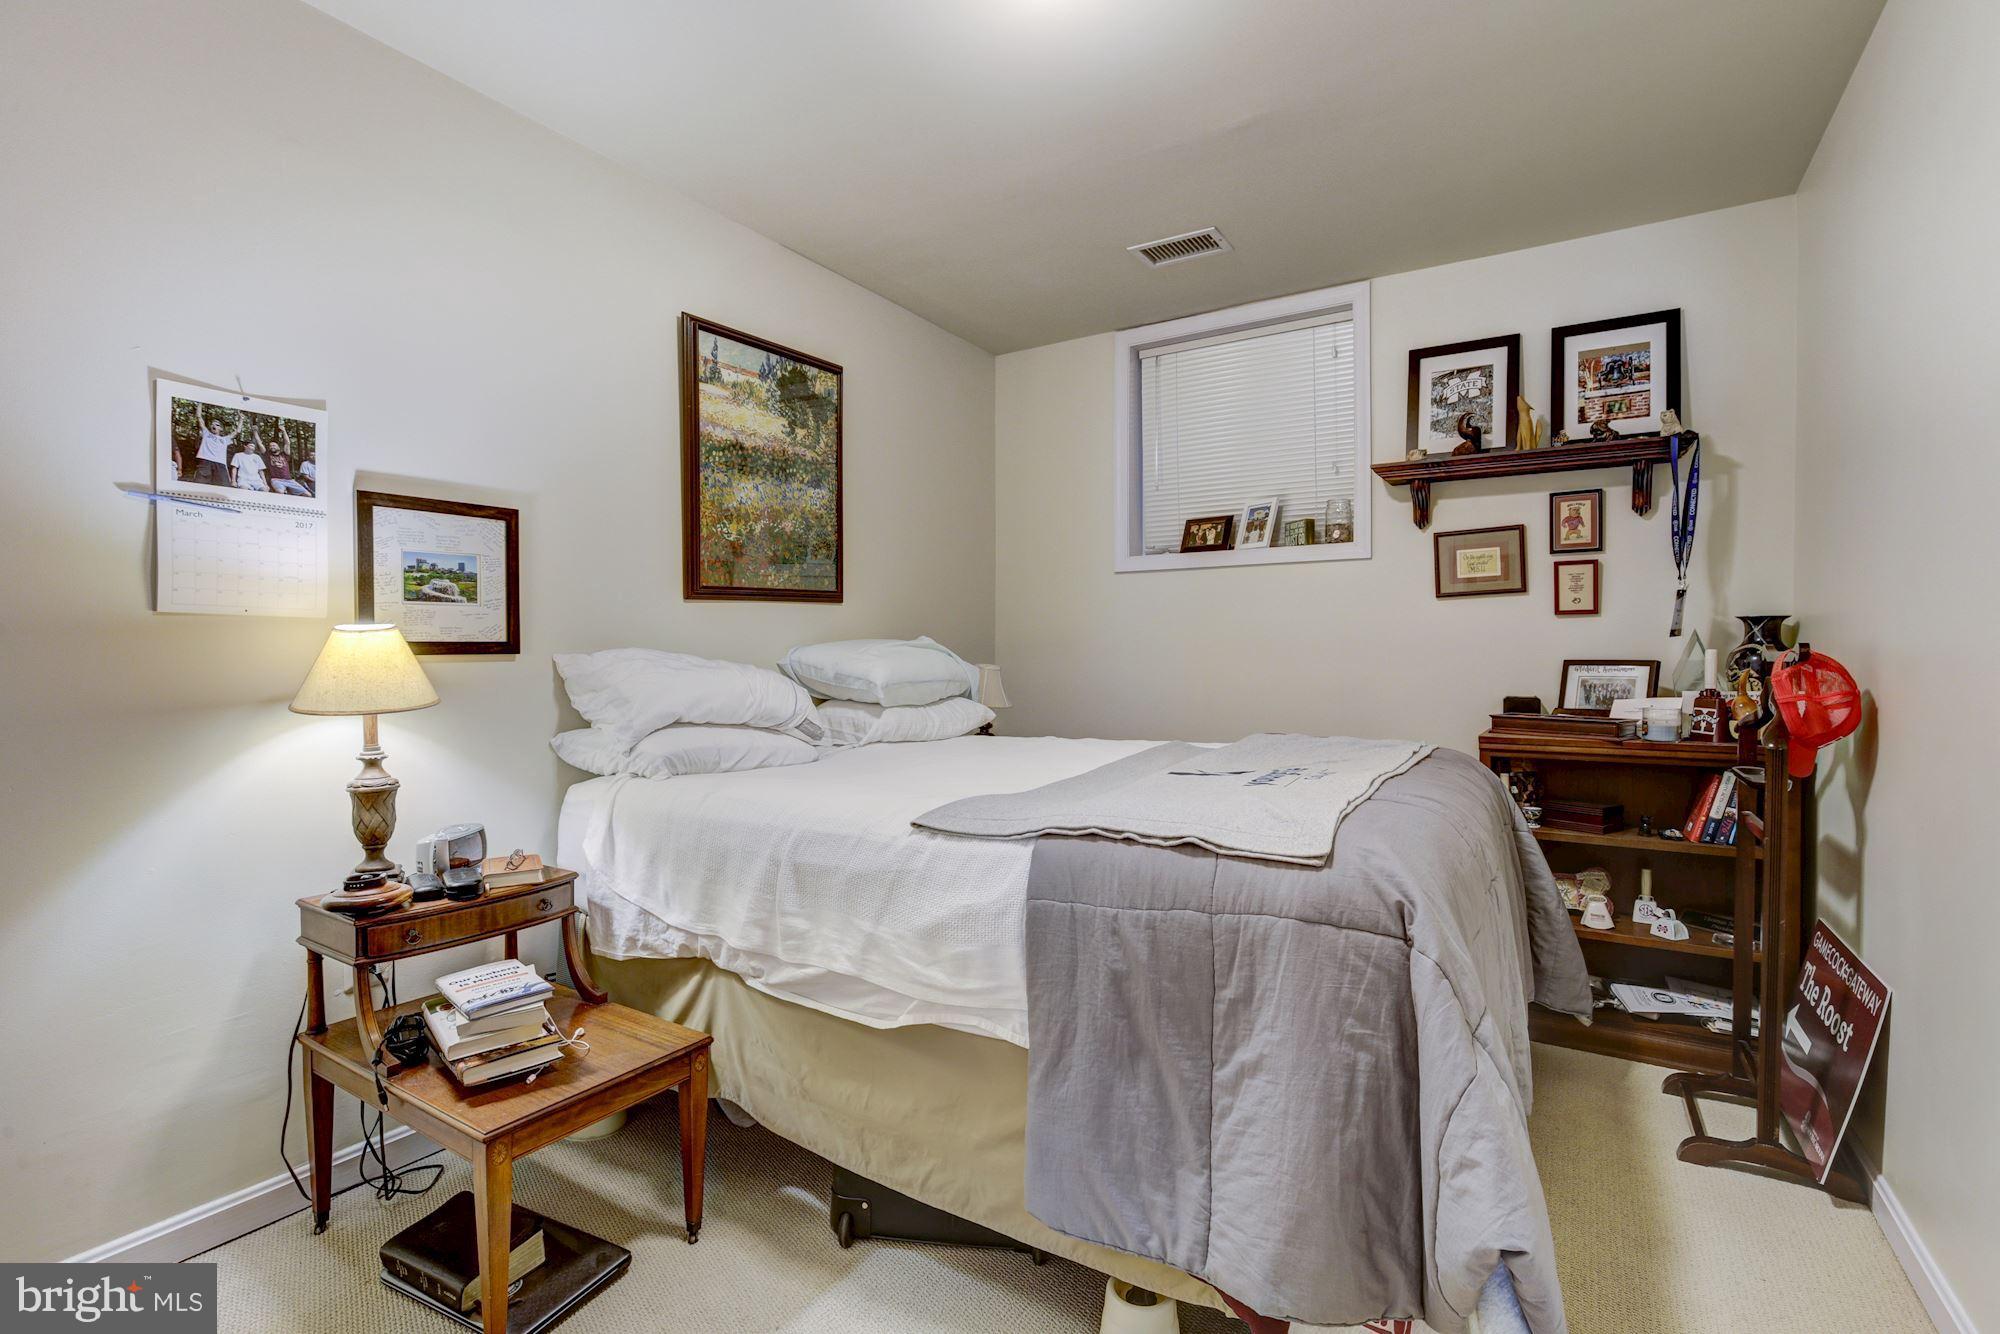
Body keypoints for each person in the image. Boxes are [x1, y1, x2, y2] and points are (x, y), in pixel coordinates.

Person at [190, 404, 237, 487]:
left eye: (217, 425)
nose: (214, 425)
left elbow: (237, 432)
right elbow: (199, 417)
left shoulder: (225, 439)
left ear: (221, 429)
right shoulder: (206, 433)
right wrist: (200, 403)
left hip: (220, 464)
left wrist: (241, 419)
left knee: (223, 487)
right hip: (205, 461)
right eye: (212, 424)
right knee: (199, 485)